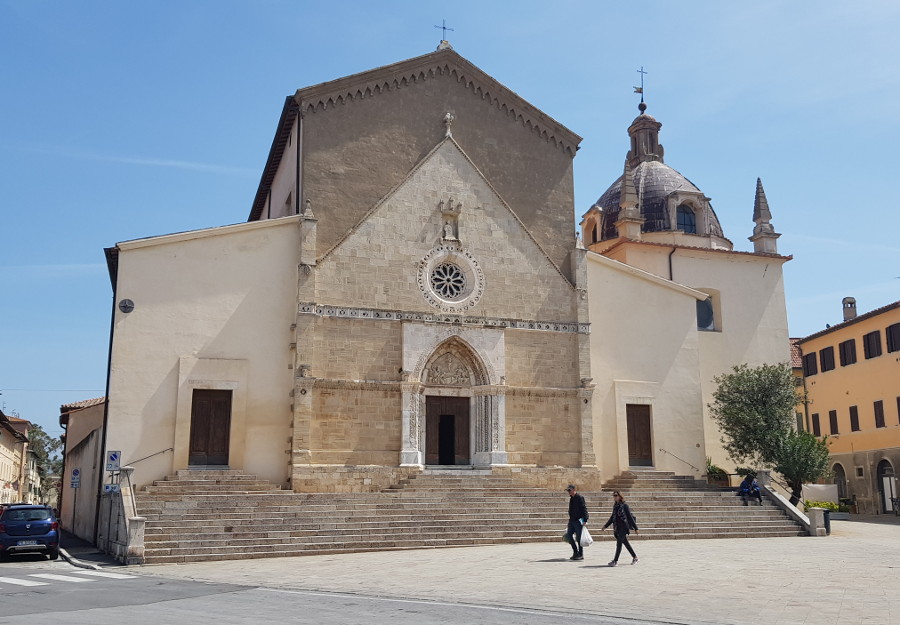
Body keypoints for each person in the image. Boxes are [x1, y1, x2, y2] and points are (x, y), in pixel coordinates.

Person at [601, 490, 638, 566]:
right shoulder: (615, 506)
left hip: (624, 528)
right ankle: (635, 557)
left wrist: (636, 528)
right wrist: (605, 526)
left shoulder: (624, 506)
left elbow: (630, 517)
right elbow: (612, 517)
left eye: (615, 496)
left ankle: (615, 561)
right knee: (626, 544)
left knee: (619, 544)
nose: (614, 497)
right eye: (613, 496)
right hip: (617, 528)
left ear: (620, 496)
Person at [565, 484, 589, 561]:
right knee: (568, 536)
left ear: (574, 490)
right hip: (572, 521)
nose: (568, 492)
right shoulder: (571, 499)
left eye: (569, 490)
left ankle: (581, 554)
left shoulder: (580, 498)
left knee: (579, 538)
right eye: (568, 491)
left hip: (578, 521)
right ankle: (575, 551)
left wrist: (585, 520)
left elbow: (584, 509)